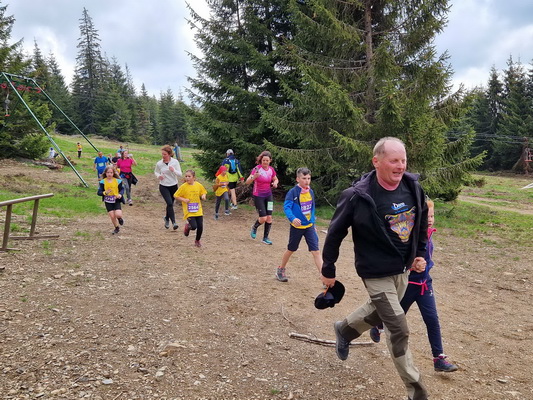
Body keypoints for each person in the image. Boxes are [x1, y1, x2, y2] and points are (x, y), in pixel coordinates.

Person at [321, 137, 429, 400]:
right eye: (394, 160)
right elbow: (335, 233)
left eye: (403, 160)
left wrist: (419, 253)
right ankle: (417, 393)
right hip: (374, 271)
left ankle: (344, 330)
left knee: (381, 310)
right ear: (376, 161)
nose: (400, 166)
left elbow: (422, 220)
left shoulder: (413, 187)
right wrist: (328, 267)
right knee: (398, 327)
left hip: (402, 268)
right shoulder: (357, 196)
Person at [369, 199, 458, 373]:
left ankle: (439, 358)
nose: (430, 220)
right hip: (407, 285)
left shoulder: (429, 234)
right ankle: (378, 325)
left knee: (432, 319)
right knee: (397, 318)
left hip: (424, 285)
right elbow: (398, 259)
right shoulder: (408, 236)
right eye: (426, 217)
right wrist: (412, 265)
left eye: (432, 216)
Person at [275, 167, 322, 283]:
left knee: (316, 251)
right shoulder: (293, 192)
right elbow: (287, 207)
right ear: (298, 179)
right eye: (304, 178)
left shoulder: (311, 192)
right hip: (297, 227)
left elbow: (312, 209)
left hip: (309, 227)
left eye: (309, 178)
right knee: (291, 249)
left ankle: (324, 277)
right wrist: (293, 218)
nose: (307, 181)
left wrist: (313, 223)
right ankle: (281, 269)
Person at [246, 150, 278, 245]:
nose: (265, 162)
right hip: (258, 195)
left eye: (267, 160)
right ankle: (254, 227)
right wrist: (254, 177)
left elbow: (275, 179)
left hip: (268, 195)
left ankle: (265, 238)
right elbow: (247, 182)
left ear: (270, 160)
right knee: (263, 218)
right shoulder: (257, 169)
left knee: (269, 217)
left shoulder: (271, 170)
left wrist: (275, 183)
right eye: (264, 160)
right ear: (261, 160)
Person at [174, 169, 207, 247]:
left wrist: (203, 196)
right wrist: (184, 200)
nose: (187, 178)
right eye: (186, 176)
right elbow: (176, 195)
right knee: (194, 226)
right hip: (189, 210)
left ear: (194, 177)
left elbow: (203, 192)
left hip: (198, 209)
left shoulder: (198, 185)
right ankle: (187, 227)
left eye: (189, 176)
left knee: (200, 226)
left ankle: (197, 241)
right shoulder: (183, 186)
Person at [154, 145, 182, 230]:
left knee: (170, 204)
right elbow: (156, 172)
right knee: (169, 203)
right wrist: (159, 176)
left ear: (169, 154)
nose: (163, 156)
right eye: (162, 154)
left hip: (173, 185)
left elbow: (180, 174)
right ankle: (174, 222)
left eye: (165, 154)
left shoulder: (175, 162)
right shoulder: (159, 163)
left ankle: (166, 218)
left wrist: (173, 170)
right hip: (163, 186)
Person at [97, 166, 125, 235]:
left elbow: (122, 189)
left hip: (116, 199)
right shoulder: (102, 182)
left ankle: (119, 218)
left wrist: (120, 194)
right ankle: (116, 228)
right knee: (112, 216)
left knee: (118, 214)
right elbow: (99, 192)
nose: (109, 174)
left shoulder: (118, 181)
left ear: (113, 173)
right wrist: (105, 193)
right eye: (108, 172)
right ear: (105, 173)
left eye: (111, 173)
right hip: (108, 201)